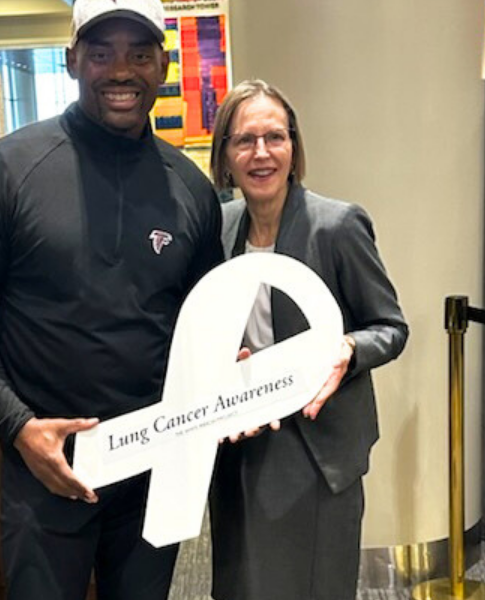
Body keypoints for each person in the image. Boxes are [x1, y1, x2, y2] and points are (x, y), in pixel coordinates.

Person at [0, 0, 224, 598]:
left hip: (151, 467)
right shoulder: (6, 170)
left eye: (139, 54)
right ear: (71, 61)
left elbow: (205, 319)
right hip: (46, 468)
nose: (122, 70)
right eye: (101, 53)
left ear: (162, 66)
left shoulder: (191, 188)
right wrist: (18, 427)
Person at [208, 80, 409, 600]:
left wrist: (348, 349)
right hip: (242, 445)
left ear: (293, 147)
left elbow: (390, 327)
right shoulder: (219, 227)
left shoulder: (336, 226)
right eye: (244, 140)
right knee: (242, 584)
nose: (261, 153)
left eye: (274, 137)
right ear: (224, 154)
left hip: (316, 449)